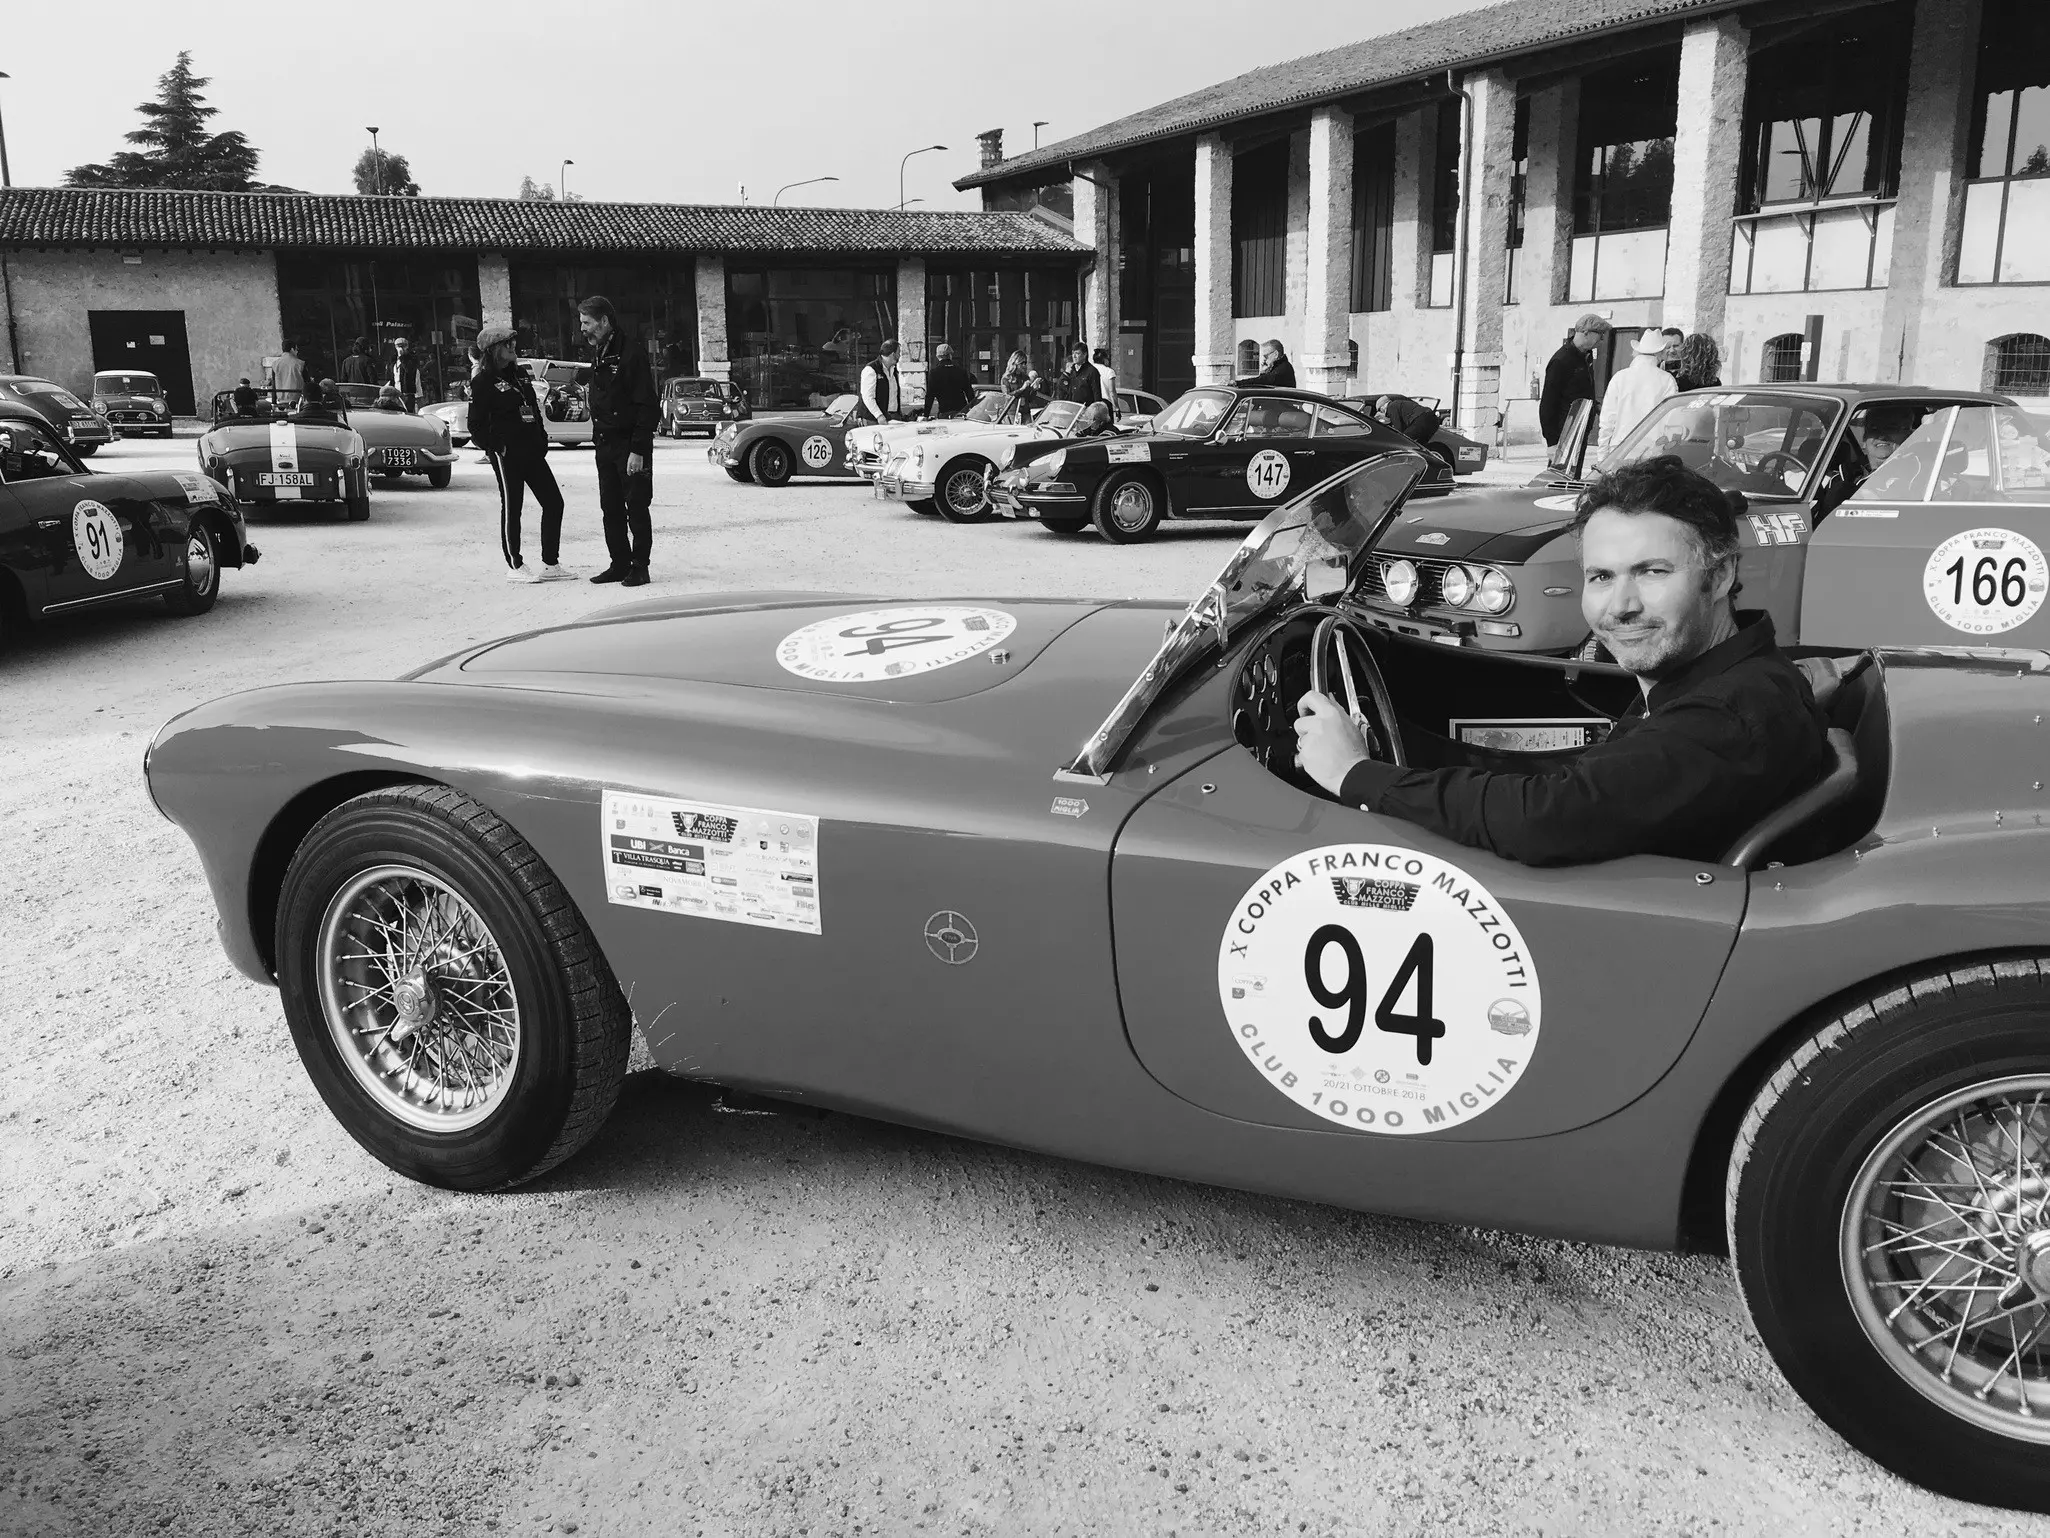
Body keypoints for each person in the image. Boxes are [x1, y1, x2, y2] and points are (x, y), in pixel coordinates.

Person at [1294, 455, 1827, 866]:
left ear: (1721, 576)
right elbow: (1581, 782)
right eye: (1601, 577)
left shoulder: (1727, 717)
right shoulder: (1712, 680)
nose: (1622, 606)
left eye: (1653, 572)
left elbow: (1546, 818)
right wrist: (1401, 761)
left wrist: (1356, 775)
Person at [469, 325, 571, 584]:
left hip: (532, 449)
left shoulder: (521, 374)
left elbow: (533, 408)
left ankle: (550, 563)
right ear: (493, 350)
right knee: (513, 508)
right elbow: (475, 426)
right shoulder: (482, 381)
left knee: (554, 502)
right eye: (508, 344)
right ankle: (515, 564)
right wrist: (497, 447)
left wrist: (542, 437)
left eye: (514, 342)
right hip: (507, 454)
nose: (514, 347)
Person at [579, 295, 660, 587]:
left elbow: (647, 406)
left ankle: (640, 567)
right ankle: (619, 564)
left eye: (587, 323)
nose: (583, 329)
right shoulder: (600, 352)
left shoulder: (630, 353)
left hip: (629, 445)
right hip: (605, 443)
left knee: (636, 507)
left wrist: (638, 450)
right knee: (610, 508)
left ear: (604, 321)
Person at [1599, 331, 1680, 448]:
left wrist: (1602, 452)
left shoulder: (1620, 377)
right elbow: (1671, 418)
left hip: (1620, 447)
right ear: (1660, 353)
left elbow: (1607, 419)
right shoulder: (1667, 379)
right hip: (1653, 447)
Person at [1540, 315, 1608, 447]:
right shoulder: (1561, 360)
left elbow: (1581, 391)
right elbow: (1548, 403)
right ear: (1586, 333)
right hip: (1564, 432)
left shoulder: (1585, 356)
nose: (1602, 341)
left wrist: (1596, 406)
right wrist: (1552, 442)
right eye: (1600, 336)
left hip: (1580, 428)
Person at [923, 343, 977, 419]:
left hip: (944, 411)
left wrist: (926, 415)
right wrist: (974, 410)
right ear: (950, 355)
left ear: (938, 356)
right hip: (961, 411)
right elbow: (969, 392)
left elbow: (930, 396)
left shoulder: (934, 373)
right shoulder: (961, 371)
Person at [859, 339, 904, 424]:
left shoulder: (894, 370)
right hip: (873, 419)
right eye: (898, 353)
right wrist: (879, 415)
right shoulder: (871, 369)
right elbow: (867, 396)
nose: (900, 355)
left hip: (892, 417)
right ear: (893, 354)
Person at [390, 337, 427, 411]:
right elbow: (392, 375)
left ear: (407, 347)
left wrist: (402, 357)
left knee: (407, 412)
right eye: (398, 346)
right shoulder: (394, 359)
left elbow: (409, 370)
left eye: (403, 346)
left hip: (407, 394)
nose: (401, 348)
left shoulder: (411, 359)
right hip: (396, 393)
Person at [270, 340, 308, 405]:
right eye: (296, 349)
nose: (297, 351)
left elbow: (274, 384)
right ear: (292, 349)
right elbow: (307, 383)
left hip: (281, 400)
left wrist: (274, 402)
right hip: (297, 401)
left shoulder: (275, 364)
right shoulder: (300, 364)